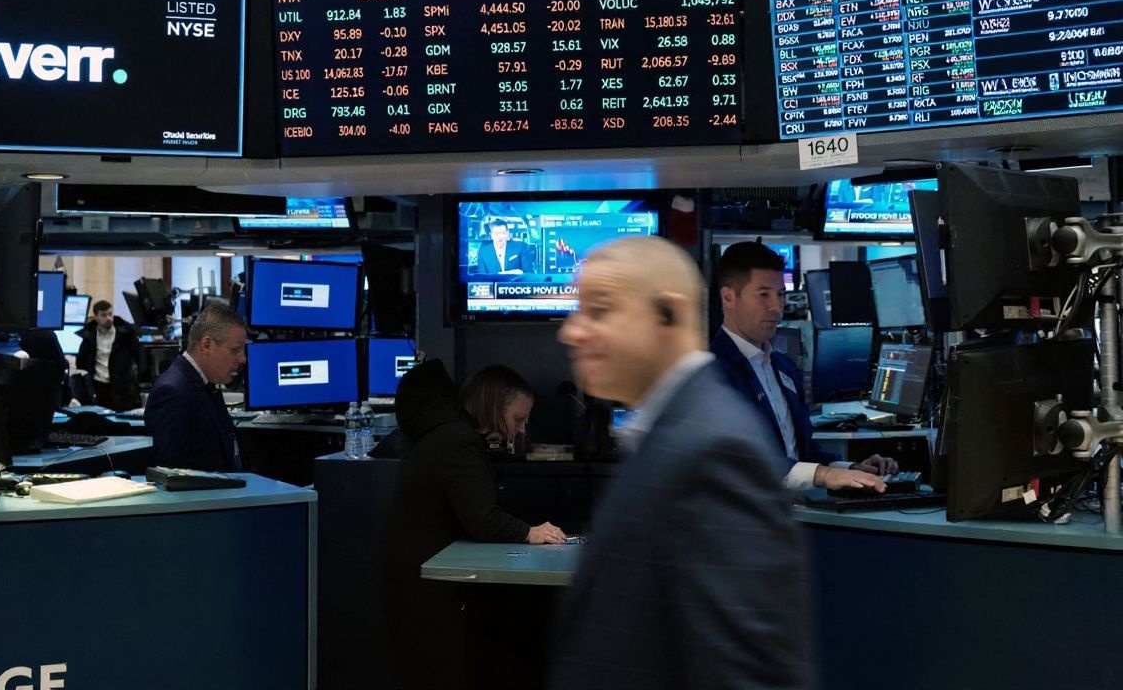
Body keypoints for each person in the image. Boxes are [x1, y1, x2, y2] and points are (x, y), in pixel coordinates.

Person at [551, 236, 812, 689]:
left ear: (666, 315)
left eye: (600, 310)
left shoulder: (714, 453)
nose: (572, 331)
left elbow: (747, 675)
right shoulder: (668, 434)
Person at [379, 359, 564, 690]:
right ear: (494, 407)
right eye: (518, 419)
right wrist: (529, 532)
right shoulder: (458, 440)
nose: (519, 429)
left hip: (417, 581)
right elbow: (483, 520)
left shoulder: (449, 433)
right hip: (429, 589)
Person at [712, 242, 897, 492]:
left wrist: (850, 469)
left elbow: (802, 454)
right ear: (728, 298)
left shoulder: (783, 368)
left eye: (781, 294)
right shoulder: (712, 374)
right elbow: (741, 463)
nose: (777, 307)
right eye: (763, 295)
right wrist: (824, 474)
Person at [144, 303, 247, 472]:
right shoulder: (172, 393)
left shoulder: (205, 382)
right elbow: (172, 477)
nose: (243, 359)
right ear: (206, 345)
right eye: (235, 350)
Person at [75, 299, 141, 411]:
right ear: (96, 317)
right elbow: (81, 362)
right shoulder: (89, 337)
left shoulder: (126, 336)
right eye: (103, 315)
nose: (108, 318)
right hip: (99, 387)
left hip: (122, 388)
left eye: (110, 314)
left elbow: (139, 357)